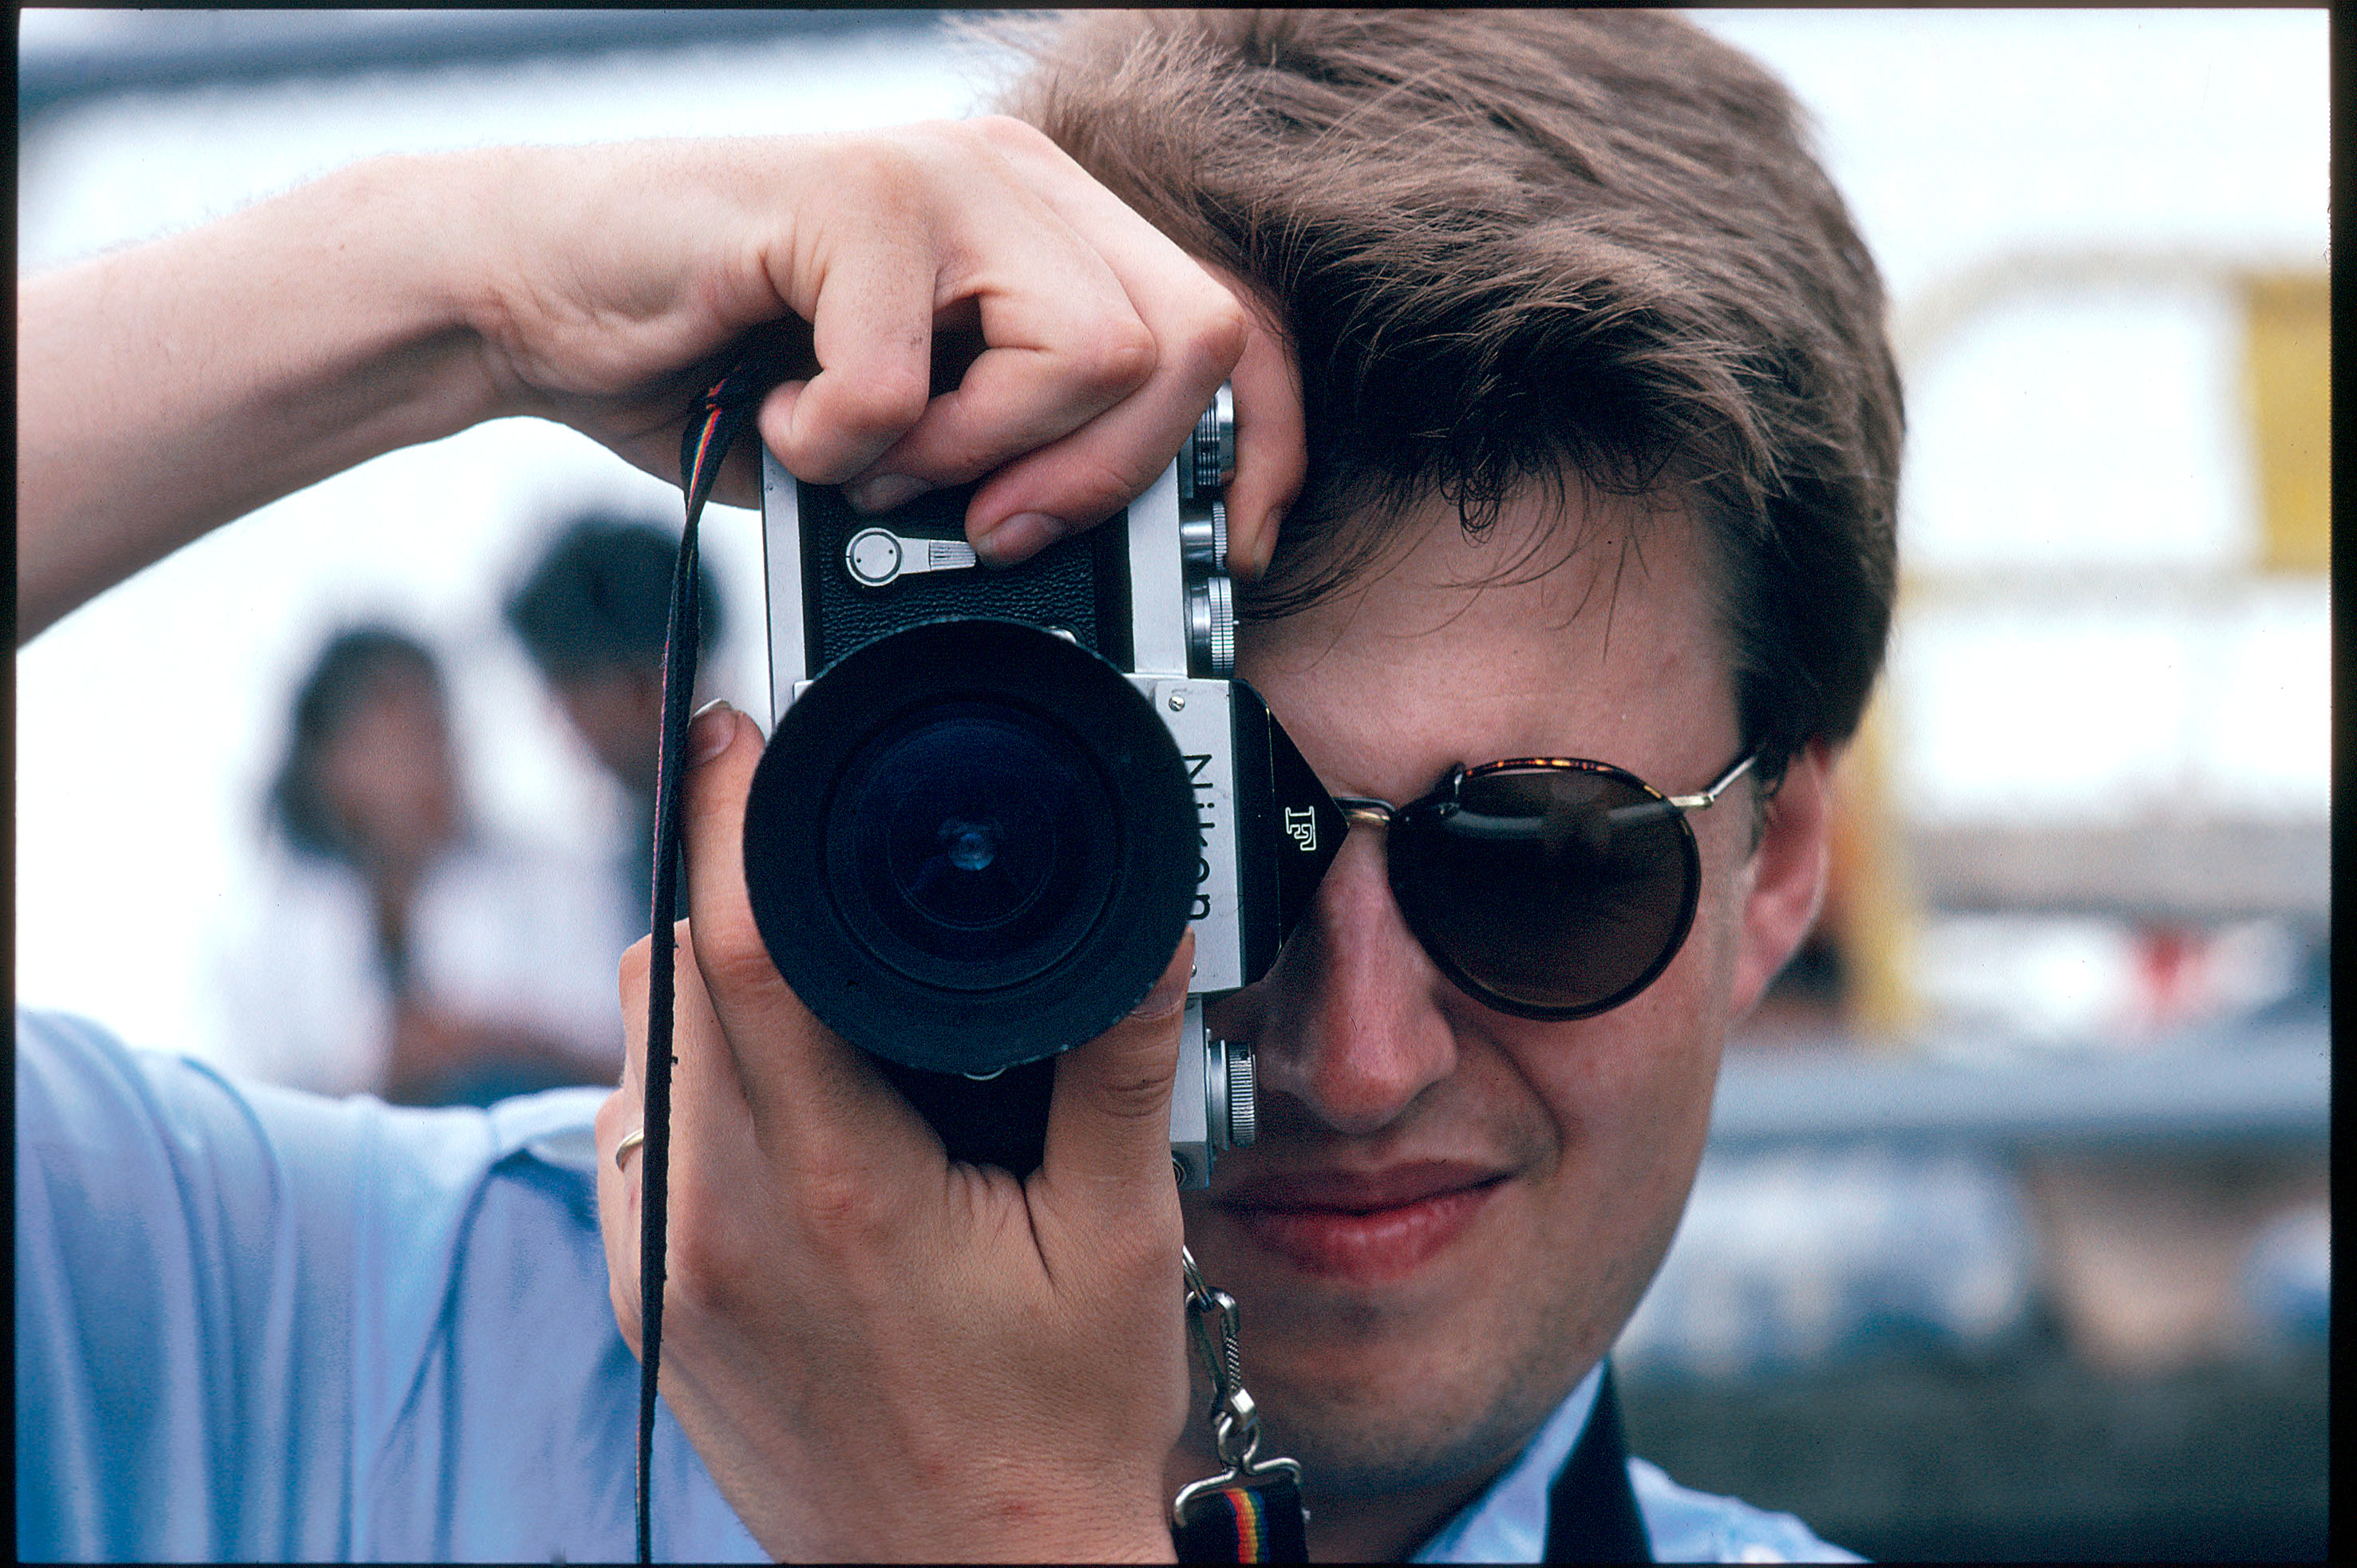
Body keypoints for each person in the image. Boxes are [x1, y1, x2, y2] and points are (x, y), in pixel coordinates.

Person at [14, 10, 1896, 1562]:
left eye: (1543, 860)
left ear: (1774, 862)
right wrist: (452, 285)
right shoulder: (330, 1338)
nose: (1357, 1054)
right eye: (1201, 831)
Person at [210, 623, 634, 1104]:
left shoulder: (553, 878)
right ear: (330, 767)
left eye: (435, 732)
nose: (426, 766)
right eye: (394, 743)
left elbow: (624, 1058)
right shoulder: (268, 933)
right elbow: (252, 1108)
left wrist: (470, 1040)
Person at [504, 514, 725, 930]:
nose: (559, 720)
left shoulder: (755, 844)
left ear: (646, 684)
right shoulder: (645, 852)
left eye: (568, 685)